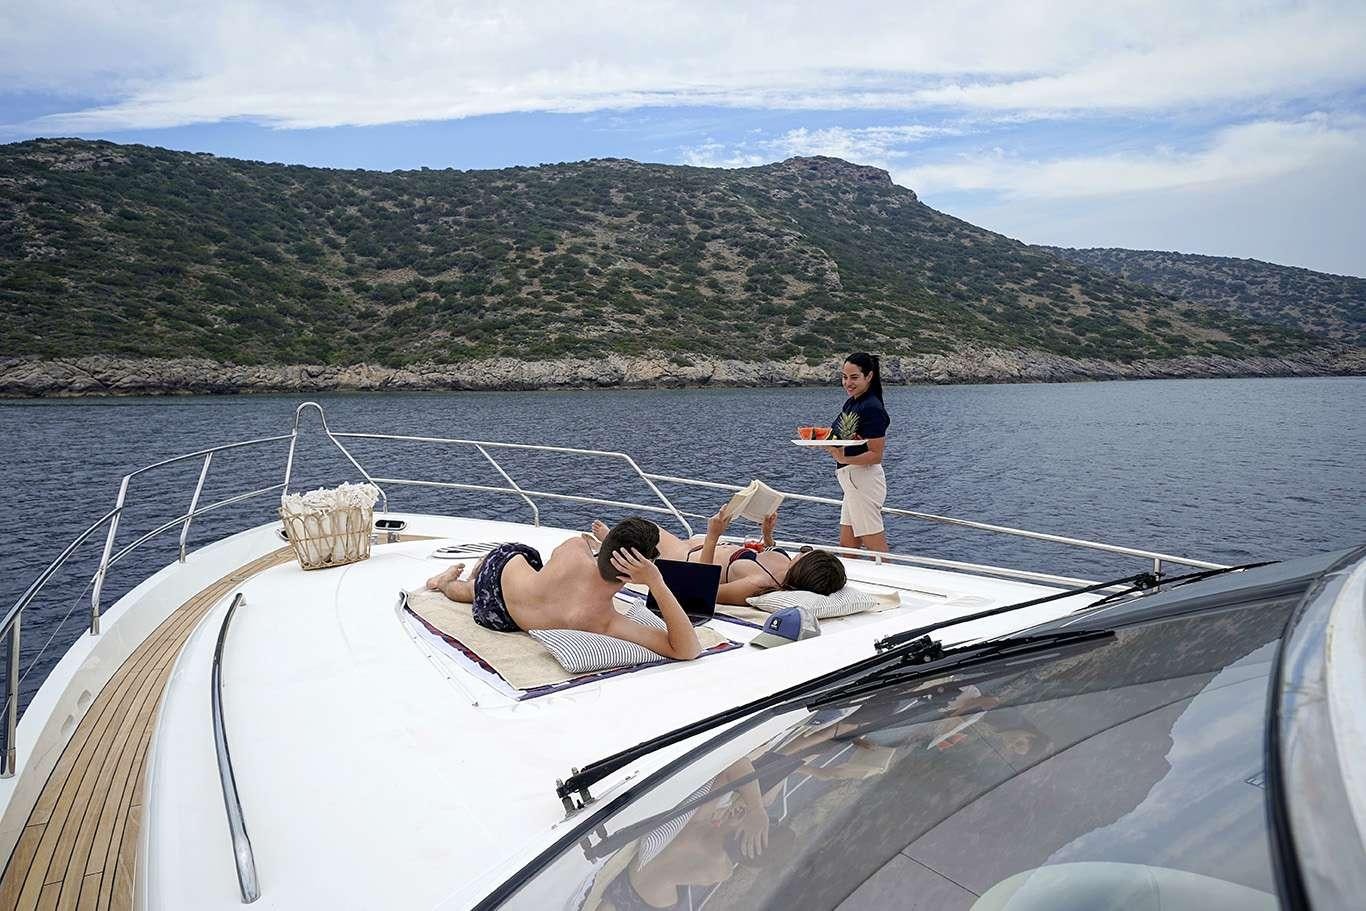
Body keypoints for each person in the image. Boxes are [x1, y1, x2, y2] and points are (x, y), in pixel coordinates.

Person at [424, 517, 702, 660]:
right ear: (634, 574)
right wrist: (656, 581)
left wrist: (605, 543)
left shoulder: (574, 548)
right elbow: (687, 650)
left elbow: (588, 550)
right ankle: (447, 583)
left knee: (520, 560)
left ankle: (461, 575)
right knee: (472, 592)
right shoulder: (602, 620)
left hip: (504, 564)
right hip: (499, 616)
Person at [586, 508, 846, 606]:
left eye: (807, 554)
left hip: (686, 559)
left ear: (805, 568)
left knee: (643, 528)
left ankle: (609, 542)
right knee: (641, 531)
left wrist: (712, 537)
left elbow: (701, 591)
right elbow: (768, 552)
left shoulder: (758, 584)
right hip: (700, 546)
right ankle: (611, 542)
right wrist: (768, 534)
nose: (803, 551)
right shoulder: (784, 563)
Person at [827, 352, 891, 553]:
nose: (848, 383)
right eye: (844, 377)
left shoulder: (872, 408)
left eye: (854, 377)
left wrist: (842, 457)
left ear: (869, 376)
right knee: (848, 547)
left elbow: (876, 455)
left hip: (863, 481)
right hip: (851, 481)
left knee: (875, 549)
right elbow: (839, 435)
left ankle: (888, 575)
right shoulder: (852, 402)